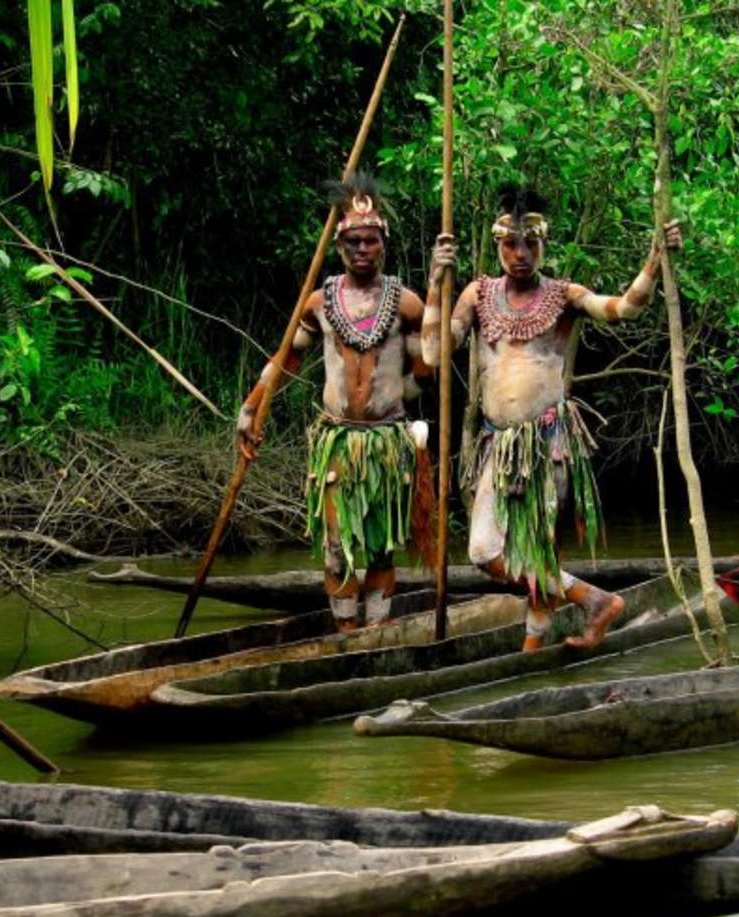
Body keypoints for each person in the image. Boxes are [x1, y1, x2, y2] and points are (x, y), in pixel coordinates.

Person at [423, 185, 680, 651]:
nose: (520, 254)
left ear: (544, 245)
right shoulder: (477, 294)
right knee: (484, 550)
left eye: (530, 244)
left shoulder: (563, 296)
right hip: (498, 448)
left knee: (540, 548)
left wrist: (655, 261)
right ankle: (595, 600)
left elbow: (622, 309)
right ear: (498, 244)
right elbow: (433, 353)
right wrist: (435, 284)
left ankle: (532, 651)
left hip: (548, 443)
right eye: (510, 244)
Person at [235, 174, 432, 631]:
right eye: (353, 241)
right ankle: (346, 634)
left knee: (382, 544)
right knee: (335, 544)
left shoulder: (407, 305)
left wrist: (395, 401)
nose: (362, 249)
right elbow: (284, 364)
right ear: (339, 244)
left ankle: (378, 633)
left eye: (371, 241)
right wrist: (249, 410)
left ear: (383, 244)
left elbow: (427, 373)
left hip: (386, 442)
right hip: (337, 443)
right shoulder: (319, 303)